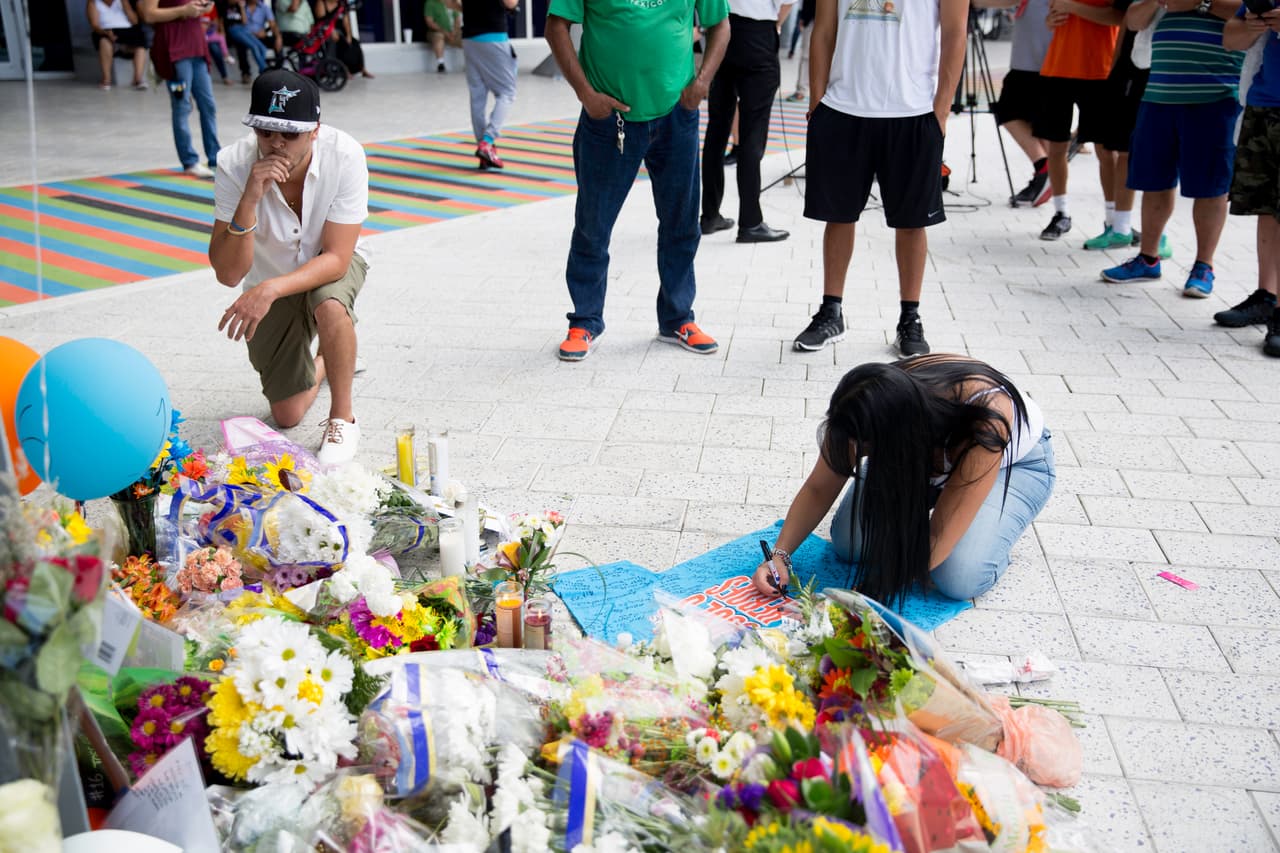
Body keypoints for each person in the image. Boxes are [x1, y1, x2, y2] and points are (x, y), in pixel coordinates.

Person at [751, 355, 1055, 607]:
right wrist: (780, 556)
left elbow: (938, 536)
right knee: (850, 543)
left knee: (958, 574)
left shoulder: (986, 420)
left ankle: (992, 534)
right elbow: (819, 487)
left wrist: (862, 600)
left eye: (867, 450)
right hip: (920, 458)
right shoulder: (863, 403)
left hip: (1012, 464)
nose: (859, 453)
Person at [545, 0, 730, 361]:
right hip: (608, 119)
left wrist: (701, 84)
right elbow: (556, 27)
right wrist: (586, 95)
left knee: (681, 223)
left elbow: (719, 25)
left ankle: (678, 317)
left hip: (676, 116)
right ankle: (585, 320)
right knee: (592, 225)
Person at [208, 69, 371, 464]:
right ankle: (332, 361)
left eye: (290, 134)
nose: (275, 144)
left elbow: (336, 257)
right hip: (269, 273)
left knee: (330, 304)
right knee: (287, 413)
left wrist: (268, 291)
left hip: (329, 263)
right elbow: (229, 273)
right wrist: (249, 198)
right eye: (265, 132)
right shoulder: (234, 163)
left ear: (315, 130)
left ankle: (343, 418)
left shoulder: (345, 154)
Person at [792, 0, 967, 356]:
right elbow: (824, 31)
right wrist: (817, 103)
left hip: (913, 110)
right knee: (838, 215)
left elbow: (954, 32)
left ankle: (910, 317)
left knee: (913, 222)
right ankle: (831, 310)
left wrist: (941, 112)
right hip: (843, 107)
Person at [1100, 0, 1243, 296]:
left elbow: (1246, 12)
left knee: (1211, 187)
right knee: (1154, 182)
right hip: (1159, 93)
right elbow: (1134, 20)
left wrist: (1201, 2)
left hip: (1216, 94)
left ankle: (1204, 266)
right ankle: (1148, 258)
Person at [700, 0, 793, 243]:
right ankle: (750, 222)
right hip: (758, 37)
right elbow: (786, 5)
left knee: (716, 130)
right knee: (752, 134)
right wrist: (775, 26)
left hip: (722, 33)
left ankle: (709, 215)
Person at [1032, 0, 1122, 241]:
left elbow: (1117, 17)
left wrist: (1073, 7)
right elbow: (1053, 18)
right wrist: (1050, 21)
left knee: (1106, 150)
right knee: (1056, 146)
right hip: (1057, 67)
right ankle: (1061, 213)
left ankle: (1113, 219)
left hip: (1100, 69)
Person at [1220, 3, 1280, 354]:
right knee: (1265, 206)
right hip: (1264, 102)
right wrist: (1257, 24)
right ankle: (1266, 295)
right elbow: (1231, 36)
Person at [976, 0, 1053, 207]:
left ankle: (1044, 169)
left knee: (1009, 113)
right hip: (1029, 60)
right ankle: (1046, 176)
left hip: (1040, 61)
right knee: (1038, 124)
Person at [139, 0, 221, 178]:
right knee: (182, 106)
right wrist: (183, 10)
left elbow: (208, 6)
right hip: (174, 49)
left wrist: (205, 6)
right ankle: (189, 161)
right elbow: (148, 14)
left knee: (208, 104)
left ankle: (215, 156)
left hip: (196, 46)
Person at [458, 0, 519, 168]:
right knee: (507, 93)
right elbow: (510, 3)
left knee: (477, 96)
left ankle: (484, 150)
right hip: (493, 36)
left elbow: (449, 2)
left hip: (469, 39)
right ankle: (487, 142)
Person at [87, 0, 150, 90]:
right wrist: (106, 33)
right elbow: (94, 25)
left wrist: (125, 4)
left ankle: (138, 79)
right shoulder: (93, 2)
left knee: (140, 44)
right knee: (104, 41)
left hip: (128, 31)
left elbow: (135, 21)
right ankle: (106, 79)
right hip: (106, 31)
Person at [315, 0, 374, 77]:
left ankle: (362, 69)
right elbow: (321, 21)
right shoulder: (321, 3)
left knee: (354, 42)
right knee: (339, 44)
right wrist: (331, 31)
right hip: (326, 32)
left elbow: (346, 22)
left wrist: (349, 35)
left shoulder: (341, 5)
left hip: (341, 32)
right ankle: (345, 70)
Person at [224, 0, 273, 77]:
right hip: (234, 29)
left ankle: (262, 69)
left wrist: (242, 7)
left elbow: (244, 22)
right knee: (253, 47)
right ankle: (264, 69)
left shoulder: (242, 5)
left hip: (243, 29)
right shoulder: (225, 5)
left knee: (262, 48)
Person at [784, 0, 815, 102]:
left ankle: (802, 90)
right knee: (806, 55)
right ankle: (801, 90)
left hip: (832, 18)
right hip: (811, 16)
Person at [423, 0, 461, 73]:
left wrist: (454, 32)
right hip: (436, 32)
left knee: (466, 37)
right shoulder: (430, 3)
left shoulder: (451, 2)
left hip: (452, 32)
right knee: (438, 36)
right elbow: (429, 22)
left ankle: (471, 63)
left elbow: (457, 19)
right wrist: (444, 32)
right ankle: (441, 63)